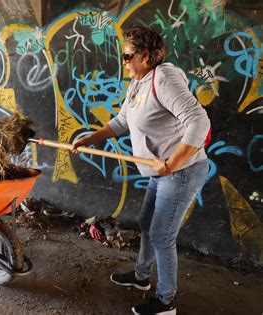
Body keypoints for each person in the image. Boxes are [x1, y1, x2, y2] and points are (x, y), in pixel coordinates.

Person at [72, 25, 210, 315]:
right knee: (147, 223)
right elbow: (121, 121)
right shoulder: (140, 81)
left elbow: (199, 122)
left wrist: (171, 163)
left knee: (161, 234)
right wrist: (89, 139)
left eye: (126, 56)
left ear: (145, 55)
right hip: (160, 172)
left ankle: (165, 301)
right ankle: (141, 277)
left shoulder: (165, 78)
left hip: (181, 171)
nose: (123, 61)